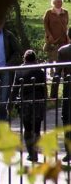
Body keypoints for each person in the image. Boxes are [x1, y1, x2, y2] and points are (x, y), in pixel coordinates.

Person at [8, 50, 46, 162]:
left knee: (27, 129)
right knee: (37, 129)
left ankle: (31, 153)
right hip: (38, 102)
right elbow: (44, 88)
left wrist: (10, 103)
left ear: (24, 59)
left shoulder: (20, 70)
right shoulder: (40, 70)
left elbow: (15, 88)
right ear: (35, 59)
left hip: (25, 103)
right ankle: (35, 151)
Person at [51, 28, 71, 161]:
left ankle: (69, 152)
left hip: (68, 88)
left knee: (67, 119)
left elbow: (57, 73)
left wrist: (53, 92)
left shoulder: (63, 51)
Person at [43, 0, 69, 65]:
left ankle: (61, 72)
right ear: (53, 2)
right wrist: (49, 35)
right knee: (51, 57)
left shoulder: (65, 12)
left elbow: (66, 24)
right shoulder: (49, 12)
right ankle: (51, 71)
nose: (59, 3)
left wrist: (67, 37)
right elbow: (45, 25)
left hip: (63, 38)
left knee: (61, 56)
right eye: (57, 1)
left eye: (60, 1)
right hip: (52, 39)